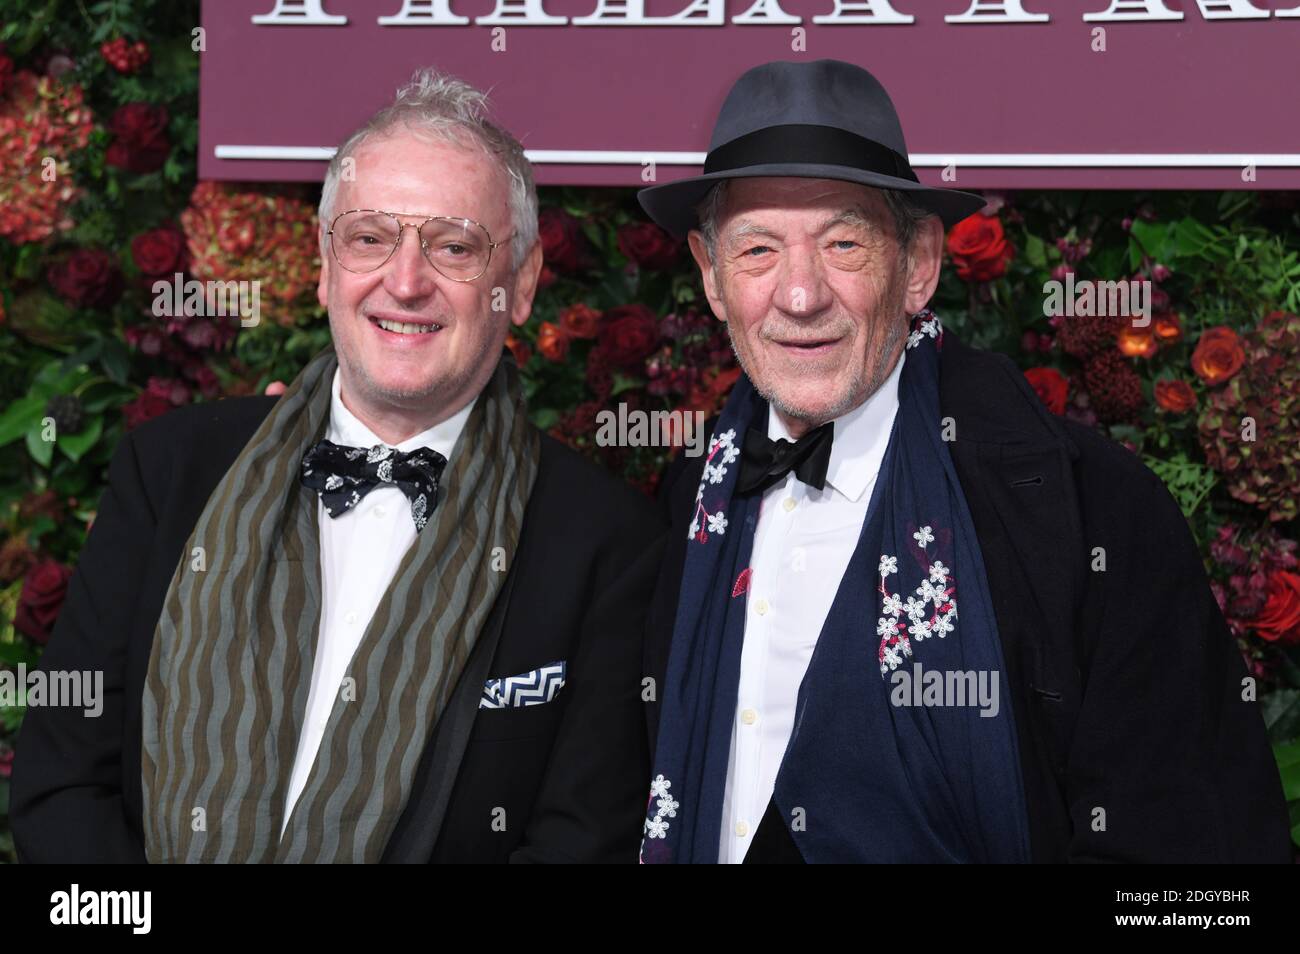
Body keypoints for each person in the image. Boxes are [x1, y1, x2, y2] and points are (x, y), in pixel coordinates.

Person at [636, 59, 1291, 863]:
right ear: (710, 276)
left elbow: (1199, 870)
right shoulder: (682, 506)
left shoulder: (1089, 509)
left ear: (918, 264)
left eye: (843, 242)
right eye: (758, 250)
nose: (799, 295)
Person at [11, 68, 662, 863]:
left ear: (519, 285)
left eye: (454, 246)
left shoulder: (605, 540)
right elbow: (59, 784)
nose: (406, 280)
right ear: (325, 265)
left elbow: (579, 844)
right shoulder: (172, 467)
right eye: (369, 238)